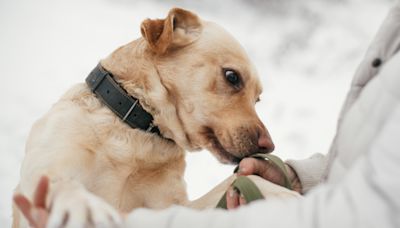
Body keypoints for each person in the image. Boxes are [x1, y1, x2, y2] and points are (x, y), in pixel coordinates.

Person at [14, 1, 400, 227]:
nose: (264, 141)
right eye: (232, 80)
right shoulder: (70, 123)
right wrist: (300, 178)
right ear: (167, 40)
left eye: (253, 100)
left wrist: (275, 188)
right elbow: (37, 198)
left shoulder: (170, 154)